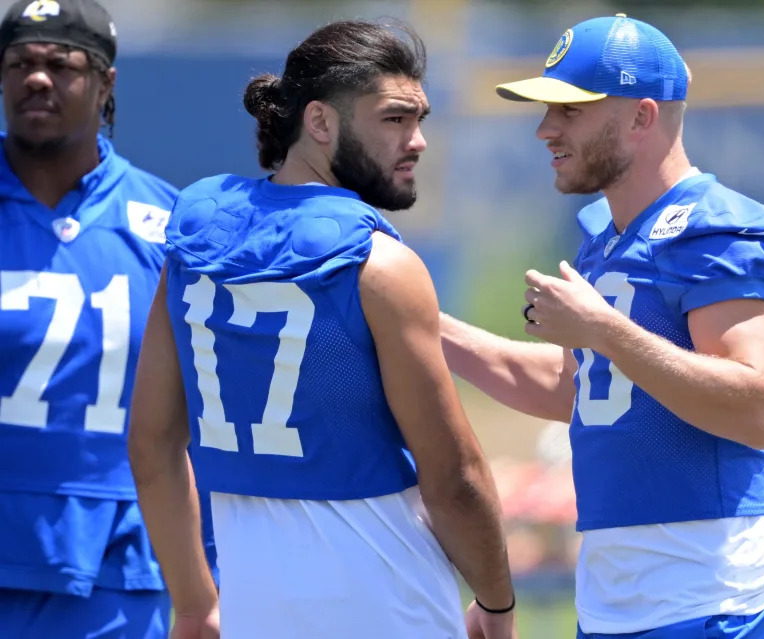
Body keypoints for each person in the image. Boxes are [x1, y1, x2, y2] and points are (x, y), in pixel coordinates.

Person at [127, 19, 517, 639]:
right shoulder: (378, 264)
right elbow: (455, 479)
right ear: (320, 122)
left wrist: (196, 602)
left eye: (420, 120)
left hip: (256, 606)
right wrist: (497, 607)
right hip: (391, 601)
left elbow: (151, 445)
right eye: (394, 119)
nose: (416, 142)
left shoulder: (192, 246)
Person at [440, 13, 764, 639]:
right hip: (614, 591)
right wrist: (426, 326)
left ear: (642, 117)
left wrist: (605, 330)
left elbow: (760, 404)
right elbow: (581, 388)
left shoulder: (720, 229)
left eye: (572, 111)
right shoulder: (603, 234)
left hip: (710, 591)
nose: (545, 130)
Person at [0, 0, 215, 637]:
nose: (37, 79)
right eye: (19, 64)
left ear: (105, 81)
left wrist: (206, 578)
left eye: (61, 64)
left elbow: (198, 410)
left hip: (118, 565)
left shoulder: (167, 223)